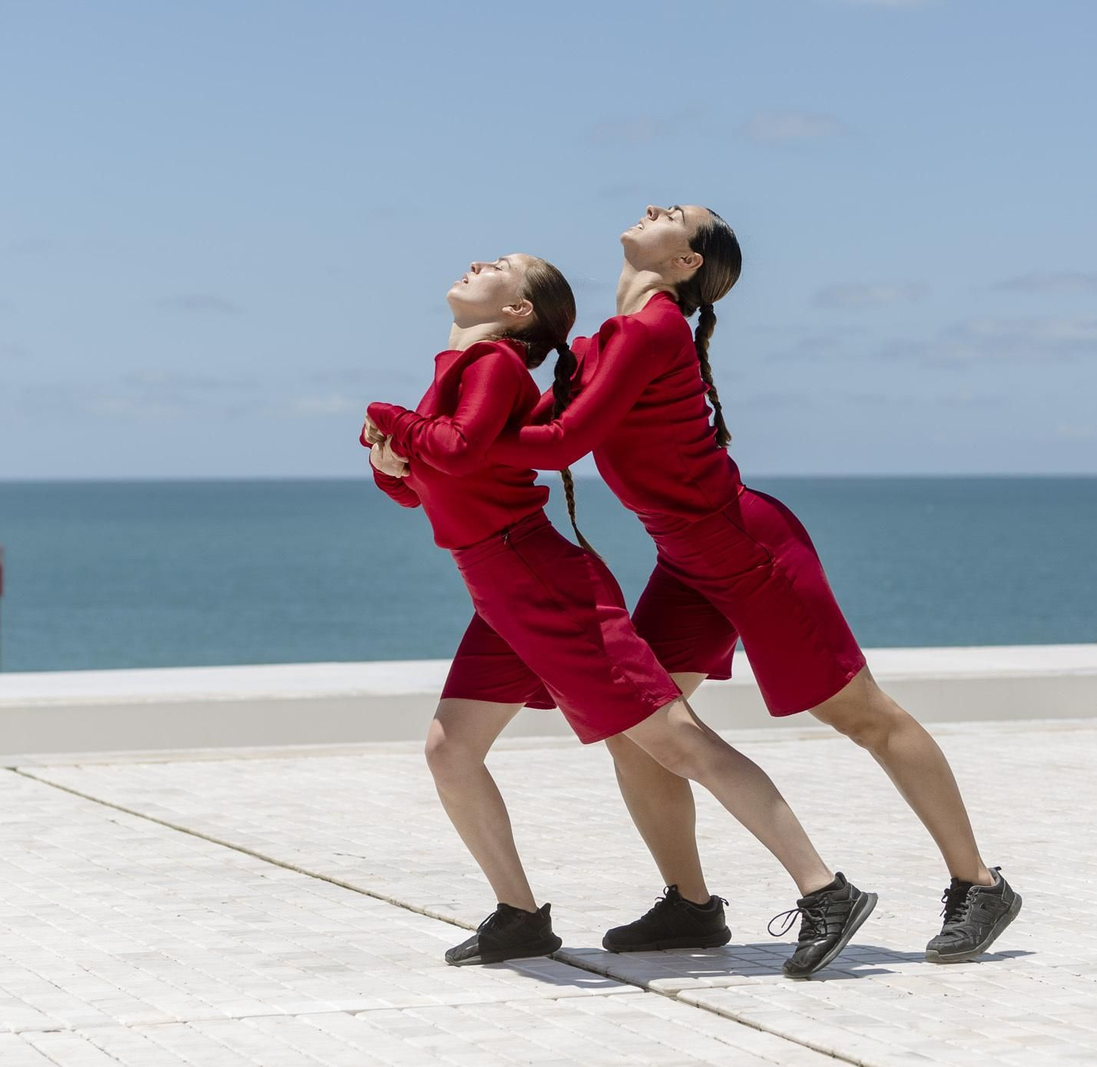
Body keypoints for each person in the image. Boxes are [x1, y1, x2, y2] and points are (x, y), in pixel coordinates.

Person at [475, 205, 1021, 964]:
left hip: (748, 549)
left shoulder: (653, 327)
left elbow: (564, 440)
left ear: (687, 263)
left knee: (864, 715)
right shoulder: (603, 340)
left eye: (683, 217)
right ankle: (691, 906)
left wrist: (441, 445)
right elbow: (526, 426)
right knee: (639, 731)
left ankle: (980, 882)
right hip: (685, 558)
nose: (661, 209)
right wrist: (422, 443)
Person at [364, 252, 873, 976]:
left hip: (539, 579)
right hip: (497, 585)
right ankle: (519, 917)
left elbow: (461, 446)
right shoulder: (455, 369)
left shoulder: (495, 366)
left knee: (675, 741)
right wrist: (392, 465)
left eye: (506, 266)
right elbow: (433, 485)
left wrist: (390, 419)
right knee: (451, 748)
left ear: (519, 313)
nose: (484, 262)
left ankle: (827, 889)